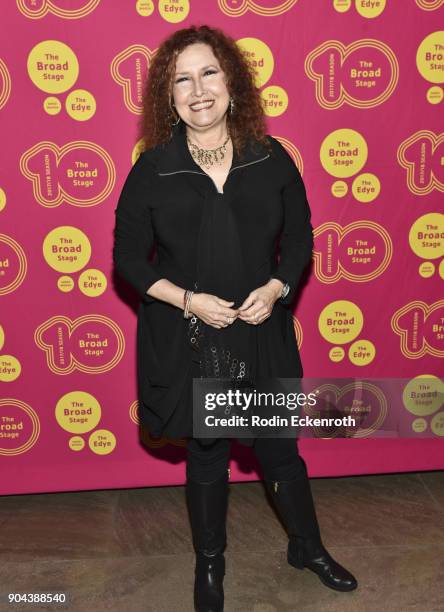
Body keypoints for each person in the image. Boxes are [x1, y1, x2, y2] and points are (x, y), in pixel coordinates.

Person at [113, 24, 357, 612]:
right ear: (167, 99)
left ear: (231, 82)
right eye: (182, 81)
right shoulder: (154, 168)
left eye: (209, 73)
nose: (198, 90)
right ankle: (210, 566)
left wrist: (277, 287)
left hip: (260, 332)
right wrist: (186, 299)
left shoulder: (269, 159)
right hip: (192, 337)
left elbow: (299, 241)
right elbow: (126, 258)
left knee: (280, 450)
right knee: (207, 455)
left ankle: (308, 547)